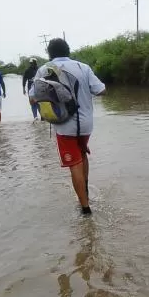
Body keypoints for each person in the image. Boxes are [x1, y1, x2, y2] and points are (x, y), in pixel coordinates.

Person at [37, 38, 106, 215]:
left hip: (63, 125)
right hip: (85, 124)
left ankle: (85, 208)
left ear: (49, 53)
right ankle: (86, 191)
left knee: (74, 164)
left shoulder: (43, 69)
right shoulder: (83, 67)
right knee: (82, 154)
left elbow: (33, 97)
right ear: (68, 50)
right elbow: (101, 90)